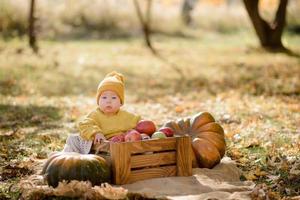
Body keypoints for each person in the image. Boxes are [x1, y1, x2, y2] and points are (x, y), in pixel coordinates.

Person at [63, 71, 141, 154]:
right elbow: (84, 125)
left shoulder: (126, 116)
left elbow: (140, 122)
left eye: (114, 98)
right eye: (104, 97)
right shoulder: (96, 114)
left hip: (121, 148)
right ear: (98, 101)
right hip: (102, 148)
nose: (108, 101)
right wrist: (96, 133)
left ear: (121, 102)